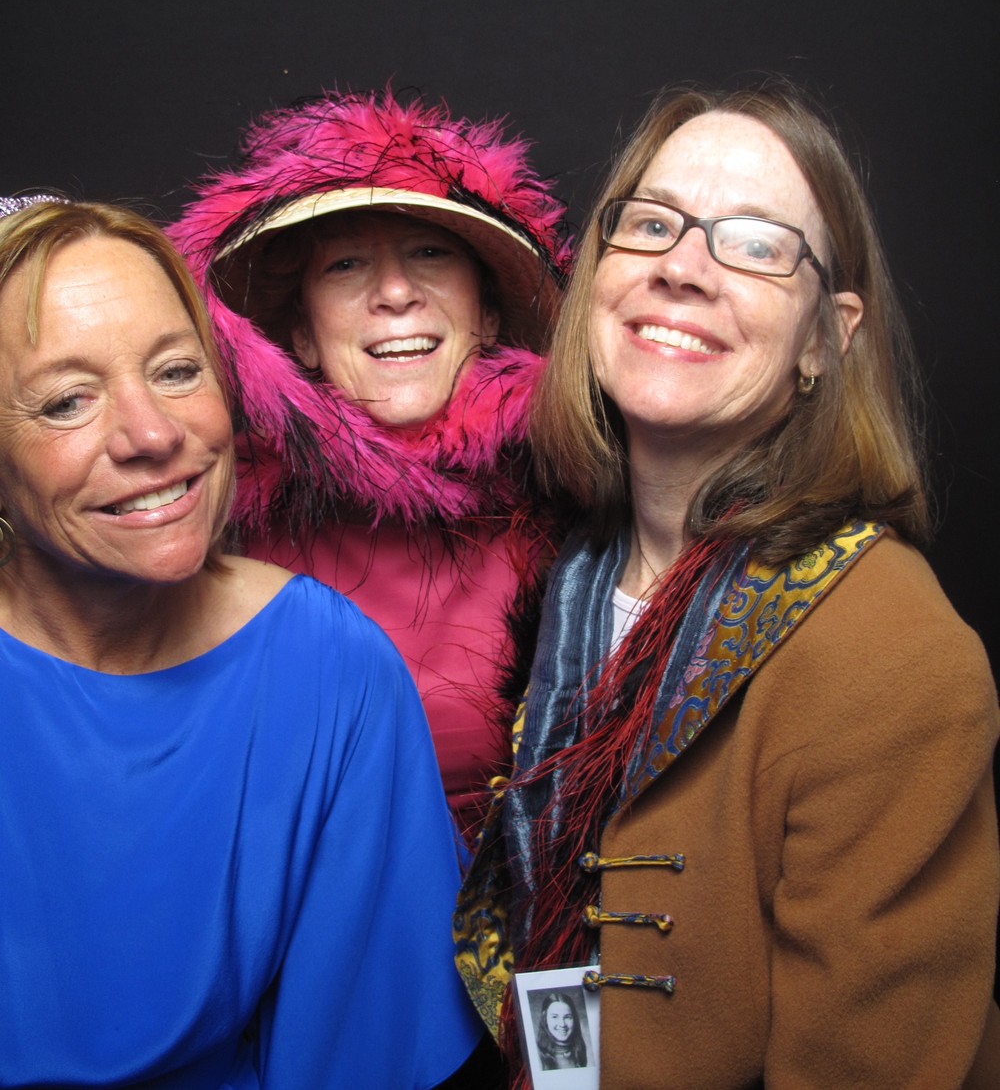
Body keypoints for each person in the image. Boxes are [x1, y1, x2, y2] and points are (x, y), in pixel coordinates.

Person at [454, 84, 1000, 1088]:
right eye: (650, 224)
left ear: (825, 337)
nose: (680, 266)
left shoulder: (894, 651)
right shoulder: (567, 577)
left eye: (754, 244)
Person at [0, 194, 484, 1088]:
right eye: (67, 400)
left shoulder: (328, 668)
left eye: (177, 370)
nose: (153, 434)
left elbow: (365, 1059)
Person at [170, 88, 570, 842]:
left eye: (429, 252)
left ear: (486, 314)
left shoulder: (580, 501)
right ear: (303, 337)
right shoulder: (211, 522)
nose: (394, 293)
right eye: (347, 264)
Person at [534, 991, 588, 1071]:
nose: (562, 1024)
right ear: (545, 1020)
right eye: (555, 1017)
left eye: (567, 1017)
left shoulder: (579, 1051)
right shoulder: (536, 1056)